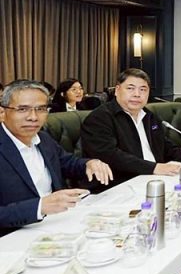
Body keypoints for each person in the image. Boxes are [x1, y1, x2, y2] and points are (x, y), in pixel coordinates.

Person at [0, 80, 112, 234]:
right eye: (23, 109)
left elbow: (68, 162)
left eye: (41, 109)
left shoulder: (43, 138)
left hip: (58, 225)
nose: (33, 117)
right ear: (3, 112)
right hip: (13, 236)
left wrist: (89, 163)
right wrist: (39, 207)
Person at [81, 68, 181, 187]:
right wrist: (155, 168)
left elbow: (165, 146)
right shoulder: (99, 118)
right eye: (130, 88)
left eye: (143, 89)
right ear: (117, 90)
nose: (137, 94)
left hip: (155, 179)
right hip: (120, 185)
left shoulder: (148, 116)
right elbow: (111, 156)